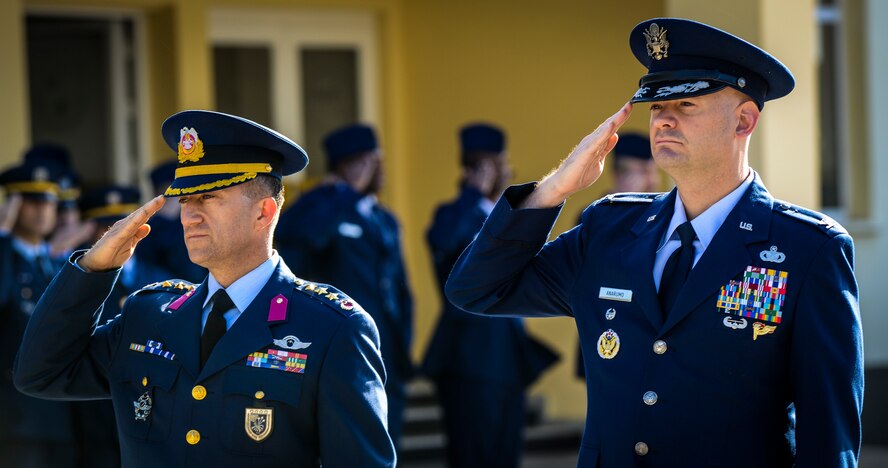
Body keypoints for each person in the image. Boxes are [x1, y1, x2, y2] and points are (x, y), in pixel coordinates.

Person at [445, 18, 863, 467]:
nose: (663, 118)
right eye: (655, 105)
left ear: (744, 120)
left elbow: (828, 437)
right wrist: (554, 191)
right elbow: (477, 289)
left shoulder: (807, 249)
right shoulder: (609, 231)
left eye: (686, 102)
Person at [14, 110, 396, 467]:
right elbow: (40, 373)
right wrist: (93, 269)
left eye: (209, 197)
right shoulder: (149, 315)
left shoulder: (332, 329)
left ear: (264, 211)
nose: (190, 215)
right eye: (185, 199)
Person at [422, 123, 558, 467]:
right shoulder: (454, 213)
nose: (507, 170)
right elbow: (442, 239)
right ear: (475, 170)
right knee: (472, 453)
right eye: (496, 163)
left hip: (508, 357)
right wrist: (472, 192)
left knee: (505, 453)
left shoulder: (505, 212)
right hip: (468, 356)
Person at [275, 123, 413, 447]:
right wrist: (345, 192)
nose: (378, 170)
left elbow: (400, 287)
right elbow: (305, 236)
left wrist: (404, 338)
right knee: (346, 439)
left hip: (386, 347)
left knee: (388, 438)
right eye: (369, 162)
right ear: (349, 165)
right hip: (338, 342)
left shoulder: (384, 218)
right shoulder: (317, 205)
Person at [0, 158, 79, 467]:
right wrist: (2, 235)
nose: (44, 210)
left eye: (48, 202)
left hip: (61, 415)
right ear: (13, 206)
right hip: (18, 419)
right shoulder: (7, 257)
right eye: (31, 202)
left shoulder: (55, 263)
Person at [575, 133, 660, 378]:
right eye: (643, 171)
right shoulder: (596, 215)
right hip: (606, 322)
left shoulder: (663, 212)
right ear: (620, 175)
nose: (652, 179)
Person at [134, 159, 206, 283]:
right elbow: (144, 265)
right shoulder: (154, 224)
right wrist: (164, 220)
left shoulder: (199, 218)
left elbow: (194, 272)